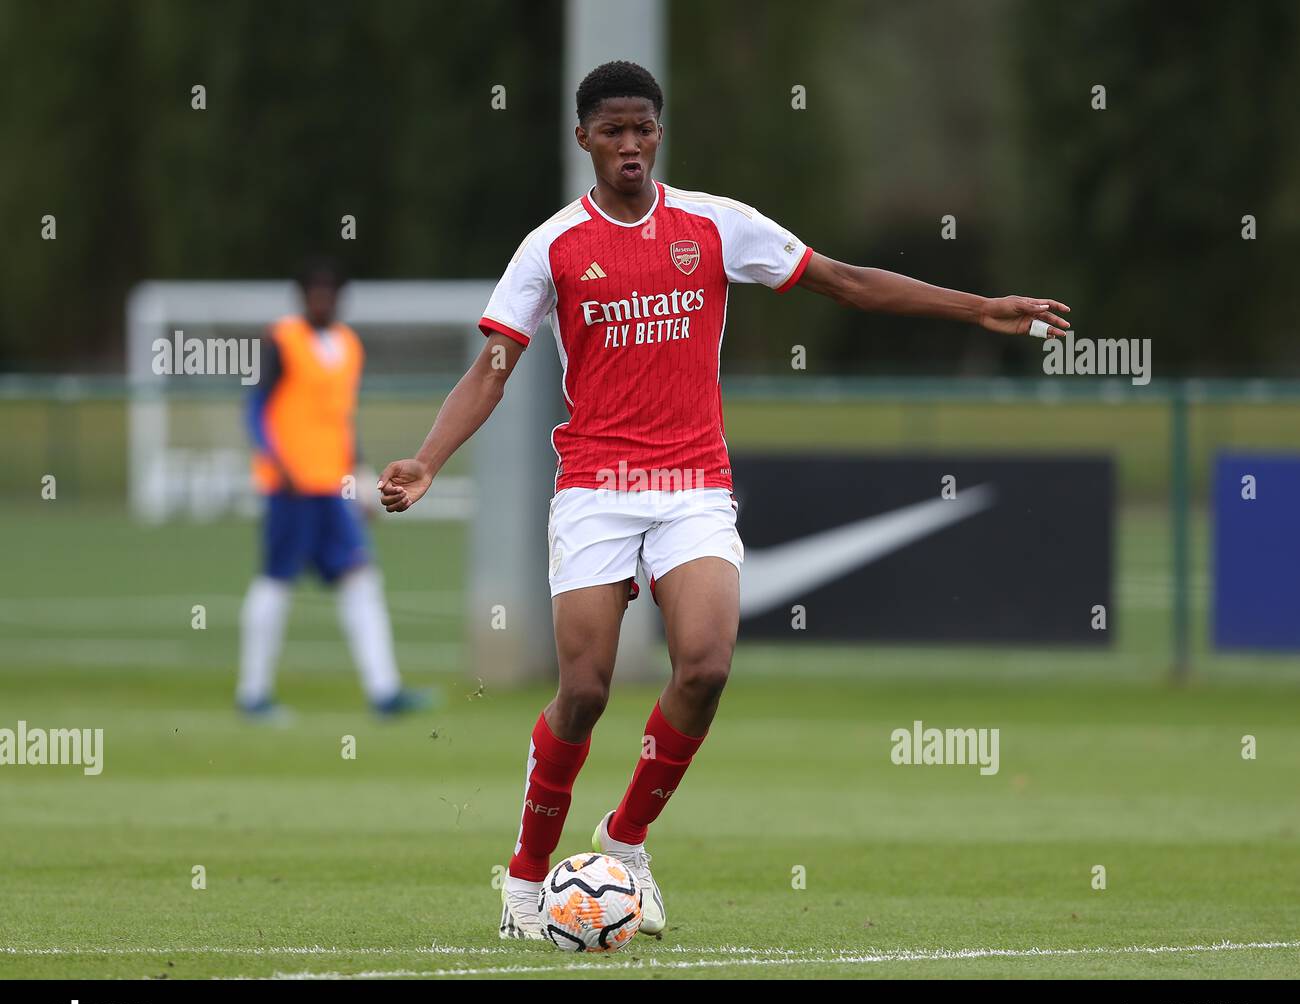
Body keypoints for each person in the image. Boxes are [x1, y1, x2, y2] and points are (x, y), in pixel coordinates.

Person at [376, 61, 1070, 938]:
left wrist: (979, 310)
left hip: (692, 484)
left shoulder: (715, 224)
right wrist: (430, 459)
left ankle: (625, 841)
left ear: (659, 135)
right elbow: (493, 367)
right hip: (595, 485)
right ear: (584, 137)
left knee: (704, 664)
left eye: (644, 129)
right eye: (613, 130)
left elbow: (845, 281)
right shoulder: (552, 246)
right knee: (584, 691)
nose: (630, 144)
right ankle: (523, 880)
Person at [237, 258, 432, 720]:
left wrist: (362, 480)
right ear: (301, 296)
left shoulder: (348, 345)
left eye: (330, 291)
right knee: (276, 581)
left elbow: (341, 422)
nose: (322, 299)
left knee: (360, 579)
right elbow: (255, 409)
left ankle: (384, 692)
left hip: (332, 488)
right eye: (314, 291)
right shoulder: (282, 340)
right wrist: (276, 460)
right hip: (290, 488)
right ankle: (254, 694)